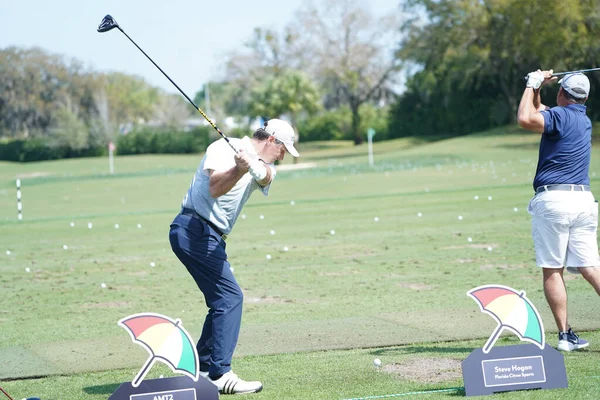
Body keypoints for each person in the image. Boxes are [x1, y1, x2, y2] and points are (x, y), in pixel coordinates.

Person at [169, 119, 299, 394]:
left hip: (212, 238)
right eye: (284, 148)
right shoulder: (222, 147)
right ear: (271, 140)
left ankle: (204, 367)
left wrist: (249, 166)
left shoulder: (265, 166)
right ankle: (219, 373)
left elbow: (265, 176)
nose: (284, 155)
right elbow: (215, 188)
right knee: (230, 298)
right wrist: (238, 168)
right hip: (193, 229)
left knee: (221, 300)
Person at [517, 69, 600, 351]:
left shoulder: (560, 116)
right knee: (591, 268)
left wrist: (532, 83)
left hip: (554, 202)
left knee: (553, 270)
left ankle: (565, 335)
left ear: (562, 93)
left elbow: (526, 118)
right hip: (584, 201)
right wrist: (538, 89)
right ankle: (568, 336)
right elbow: (540, 109)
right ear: (585, 97)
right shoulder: (581, 119)